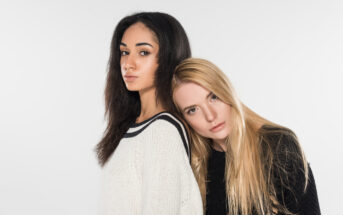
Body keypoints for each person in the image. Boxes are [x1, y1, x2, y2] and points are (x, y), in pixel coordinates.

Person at [172, 58, 321, 215]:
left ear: (227, 91)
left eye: (213, 97)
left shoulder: (278, 146)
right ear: (184, 119)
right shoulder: (193, 166)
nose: (210, 116)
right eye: (193, 110)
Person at [96, 13, 203, 214]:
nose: (128, 63)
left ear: (168, 58)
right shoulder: (135, 127)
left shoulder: (163, 131)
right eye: (124, 52)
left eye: (143, 52)